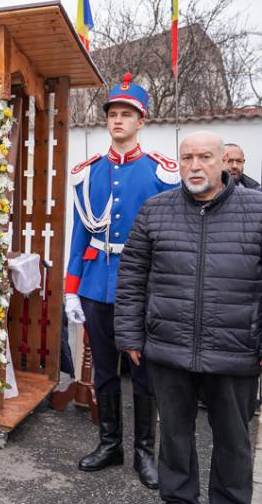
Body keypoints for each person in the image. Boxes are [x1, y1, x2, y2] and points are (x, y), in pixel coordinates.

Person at [115, 131, 262, 504]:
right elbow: (132, 275)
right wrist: (130, 335)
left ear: (223, 161)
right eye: (187, 158)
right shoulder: (156, 209)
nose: (195, 166)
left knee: (234, 442)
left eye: (205, 157)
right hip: (169, 349)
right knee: (175, 439)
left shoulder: (257, 210)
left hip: (235, 350)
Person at [63, 72, 179, 489]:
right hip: (96, 284)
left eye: (127, 114)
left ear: (141, 121)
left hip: (143, 286)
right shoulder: (88, 172)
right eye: (113, 113)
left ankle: (145, 453)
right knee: (104, 371)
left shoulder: (161, 173)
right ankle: (109, 444)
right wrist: (71, 289)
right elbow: (80, 232)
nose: (118, 120)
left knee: (144, 373)